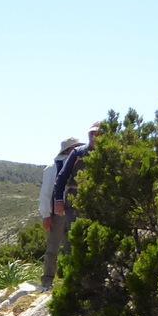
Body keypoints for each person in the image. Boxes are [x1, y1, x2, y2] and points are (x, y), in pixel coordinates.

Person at [49, 122, 102, 260]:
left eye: (97, 133)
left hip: (98, 201)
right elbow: (61, 177)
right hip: (75, 200)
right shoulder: (78, 152)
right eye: (91, 133)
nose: (93, 136)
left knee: (95, 238)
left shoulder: (107, 153)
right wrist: (59, 201)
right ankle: (71, 273)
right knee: (73, 237)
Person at [39, 136, 84, 290]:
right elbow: (46, 193)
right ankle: (48, 280)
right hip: (59, 213)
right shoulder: (52, 168)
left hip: (72, 210)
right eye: (75, 147)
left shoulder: (76, 165)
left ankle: (67, 279)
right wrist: (46, 215)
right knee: (54, 247)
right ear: (69, 150)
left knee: (69, 245)